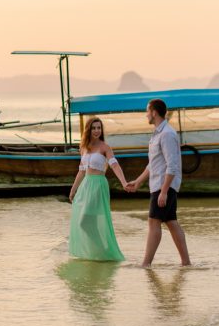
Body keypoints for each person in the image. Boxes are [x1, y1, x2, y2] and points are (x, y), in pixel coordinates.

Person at [126, 98, 191, 267]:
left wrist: (163, 191)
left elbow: (173, 165)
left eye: (147, 111)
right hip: (159, 185)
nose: (146, 114)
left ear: (154, 112)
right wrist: (139, 182)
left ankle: (146, 264)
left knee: (154, 222)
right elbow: (153, 164)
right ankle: (186, 263)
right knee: (171, 222)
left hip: (163, 186)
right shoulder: (157, 134)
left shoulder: (167, 134)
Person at [68, 116, 129, 261]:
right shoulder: (83, 148)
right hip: (86, 185)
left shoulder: (105, 148)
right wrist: (73, 189)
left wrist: (124, 182)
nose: (96, 131)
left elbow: (114, 165)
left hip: (98, 185)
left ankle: (103, 249)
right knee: (88, 221)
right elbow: (82, 171)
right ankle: (100, 251)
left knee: (85, 221)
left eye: (99, 128)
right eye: (94, 128)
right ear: (88, 130)